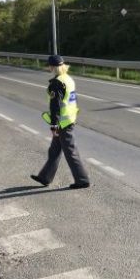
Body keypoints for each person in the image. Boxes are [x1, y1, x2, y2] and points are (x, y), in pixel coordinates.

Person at [31, 55, 90, 189]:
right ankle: (45, 177)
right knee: (54, 150)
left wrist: (54, 125)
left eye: (49, 66)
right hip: (69, 118)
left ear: (52, 67)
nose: (49, 68)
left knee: (70, 151)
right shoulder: (68, 79)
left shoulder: (56, 83)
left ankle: (82, 180)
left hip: (62, 123)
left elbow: (55, 105)